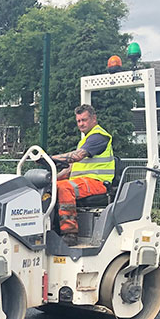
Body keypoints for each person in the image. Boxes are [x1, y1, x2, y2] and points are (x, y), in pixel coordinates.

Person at [49, 105, 115, 245]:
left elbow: (77, 156)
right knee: (51, 187)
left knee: (64, 188)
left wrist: (50, 158)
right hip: (82, 182)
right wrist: (49, 179)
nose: (81, 124)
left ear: (94, 119)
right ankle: (51, 229)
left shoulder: (99, 137)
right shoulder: (84, 141)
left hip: (98, 182)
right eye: (78, 121)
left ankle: (70, 234)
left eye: (84, 120)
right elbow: (69, 169)